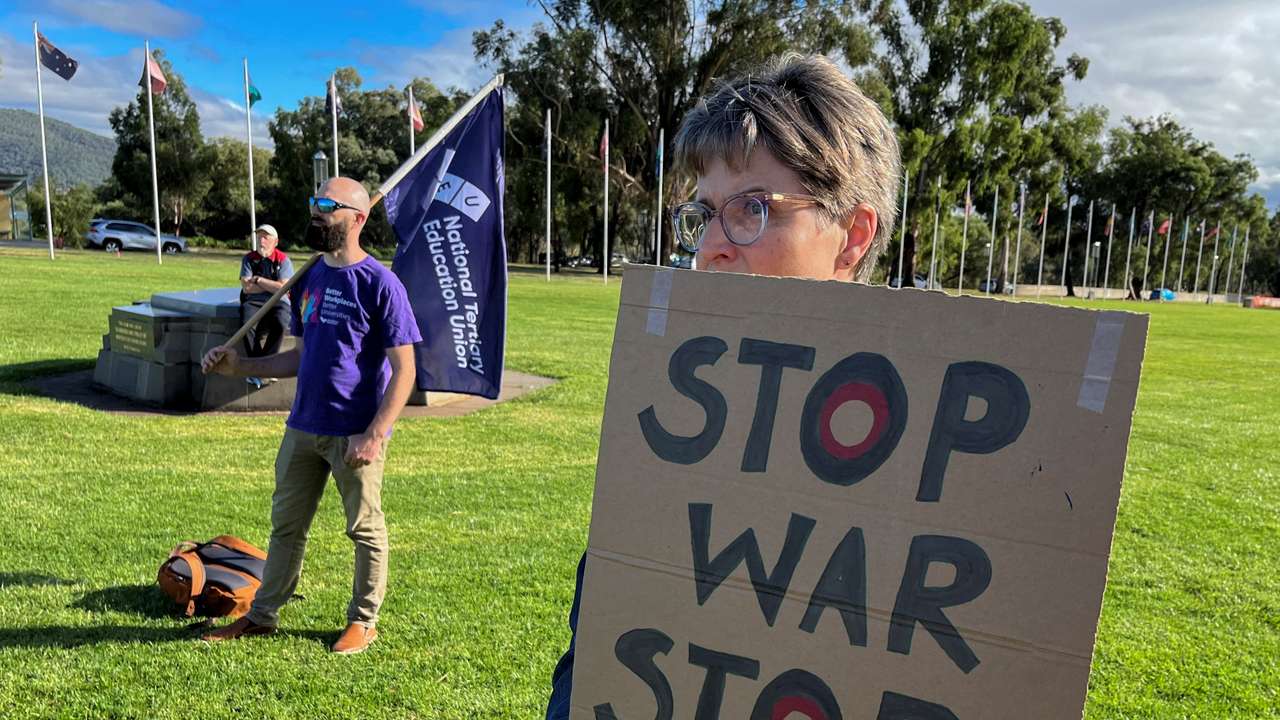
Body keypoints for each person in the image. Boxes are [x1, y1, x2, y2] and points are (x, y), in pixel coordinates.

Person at [544, 53, 901, 718]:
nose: (710, 246)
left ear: (851, 237)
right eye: (705, 213)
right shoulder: (674, 438)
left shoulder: (925, 476)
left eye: (753, 209)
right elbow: (594, 666)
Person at [199, 177, 422, 655]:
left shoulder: (381, 284)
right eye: (313, 201)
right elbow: (300, 357)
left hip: (354, 433)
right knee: (286, 527)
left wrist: (375, 433)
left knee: (364, 529)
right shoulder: (311, 276)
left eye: (326, 205)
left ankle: (364, 622)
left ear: (358, 218)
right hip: (303, 425)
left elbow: (405, 371)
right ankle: (262, 616)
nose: (315, 212)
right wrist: (242, 366)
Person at [239, 224, 294, 386]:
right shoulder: (249, 259)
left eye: (265, 237)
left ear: (275, 242)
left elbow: (284, 287)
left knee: (281, 322)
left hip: (279, 302)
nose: (261, 241)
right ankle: (256, 367)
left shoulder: (283, 260)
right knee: (246, 325)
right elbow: (247, 287)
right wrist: (272, 285)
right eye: (259, 237)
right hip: (253, 301)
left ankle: (268, 365)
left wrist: (259, 280)